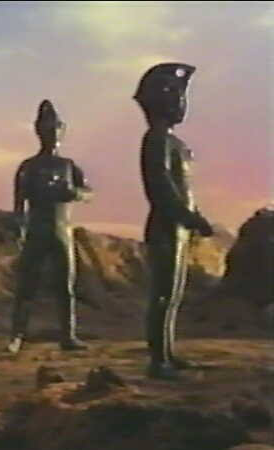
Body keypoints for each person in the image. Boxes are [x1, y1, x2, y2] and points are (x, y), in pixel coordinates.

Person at [134, 63, 213, 379]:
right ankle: (158, 360)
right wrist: (188, 216)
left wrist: (191, 216)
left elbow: (181, 188)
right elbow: (161, 186)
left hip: (178, 228)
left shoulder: (173, 143)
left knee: (174, 294)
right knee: (162, 294)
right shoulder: (156, 140)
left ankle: (167, 352)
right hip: (166, 226)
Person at [7, 100, 93, 354]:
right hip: (36, 230)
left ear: (62, 130)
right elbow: (19, 204)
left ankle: (68, 335)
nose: (51, 133)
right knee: (27, 285)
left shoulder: (68, 166)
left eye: (55, 128)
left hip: (62, 230)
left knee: (65, 285)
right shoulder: (29, 167)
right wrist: (19, 228)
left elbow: (89, 192)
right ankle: (17, 335)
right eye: (46, 128)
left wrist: (75, 193)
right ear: (38, 130)